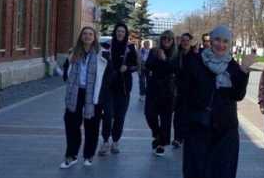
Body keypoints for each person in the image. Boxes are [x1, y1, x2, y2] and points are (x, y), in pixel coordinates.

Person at [181, 25, 255, 178]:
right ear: (210, 41)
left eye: (225, 41)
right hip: (198, 130)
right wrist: (182, 127)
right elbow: (183, 94)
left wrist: (244, 70)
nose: (221, 45)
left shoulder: (232, 66)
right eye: (217, 40)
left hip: (226, 132)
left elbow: (238, 95)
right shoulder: (195, 62)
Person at [61, 26, 107, 169]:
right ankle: (71, 155)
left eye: (90, 34)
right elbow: (66, 70)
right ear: (81, 36)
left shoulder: (102, 54)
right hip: (75, 92)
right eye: (85, 34)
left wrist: (102, 94)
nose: (87, 36)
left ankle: (89, 155)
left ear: (94, 37)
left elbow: (107, 75)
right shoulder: (73, 52)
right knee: (72, 124)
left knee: (92, 126)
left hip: (93, 94)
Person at [98, 23, 138, 156]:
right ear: (115, 32)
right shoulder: (107, 46)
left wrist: (128, 68)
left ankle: (115, 141)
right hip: (108, 87)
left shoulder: (130, 47)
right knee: (108, 115)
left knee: (120, 117)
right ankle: (105, 141)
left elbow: (135, 65)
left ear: (125, 34)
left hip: (124, 88)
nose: (120, 33)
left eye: (123, 31)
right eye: (118, 31)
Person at [144, 30, 177, 156]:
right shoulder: (154, 51)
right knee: (149, 114)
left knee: (165, 119)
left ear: (172, 41)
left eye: (169, 39)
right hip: (153, 88)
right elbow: (148, 65)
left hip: (168, 90)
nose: (166, 41)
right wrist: (157, 58)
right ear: (161, 39)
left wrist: (164, 59)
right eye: (164, 38)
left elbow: (174, 69)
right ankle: (157, 135)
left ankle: (161, 144)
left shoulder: (175, 53)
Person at [172, 32, 195, 148]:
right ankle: (178, 138)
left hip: (192, 91)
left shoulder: (195, 55)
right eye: (183, 40)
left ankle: (187, 137)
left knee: (189, 116)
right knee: (178, 116)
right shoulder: (177, 54)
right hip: (179, 90)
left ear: (190, 42)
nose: (185, 42)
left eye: (187, 40)